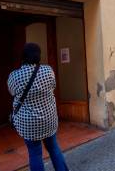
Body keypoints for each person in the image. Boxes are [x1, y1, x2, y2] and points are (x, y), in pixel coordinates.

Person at [8, 43, 69, 171]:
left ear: (23, 56)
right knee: (53, 148)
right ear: (38, 56)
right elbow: (53, 87)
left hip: (29, 124)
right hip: (48, 119)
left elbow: (12, 92)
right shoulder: (48, 71)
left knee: (35, 154)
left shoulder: (14, 76)